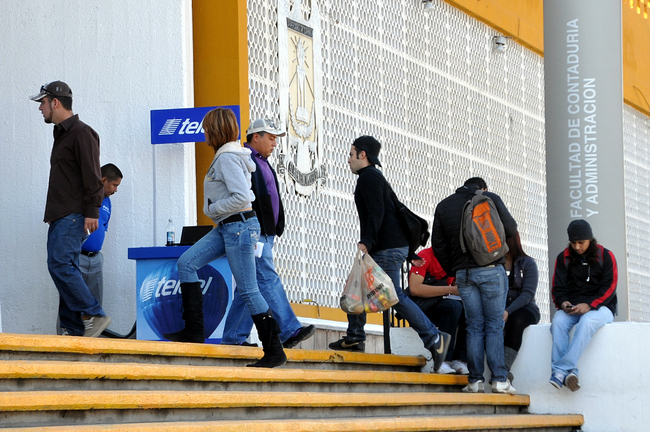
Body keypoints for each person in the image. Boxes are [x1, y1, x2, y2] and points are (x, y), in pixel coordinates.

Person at [163, 108, 286, 368]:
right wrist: (217, 213)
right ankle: (194, 331)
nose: (205, 133)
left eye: (207, 129)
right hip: (228, 227)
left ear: (216, 130)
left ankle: (274, 350)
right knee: (186, 263)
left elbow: (242, 198)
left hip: (238, 227)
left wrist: (212, 209)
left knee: (249, 290)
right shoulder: (227, 155)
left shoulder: (227, 157)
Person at [329, 136, 451, 373]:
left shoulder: (369, 178)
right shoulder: (375, 177)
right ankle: (355, 336)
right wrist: (408, 253)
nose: (348, 159)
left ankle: (435, 338)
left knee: (394, 298)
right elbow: (395, 212)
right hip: (389, 246)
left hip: (384, 247)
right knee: (359, 287)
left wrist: (367, 241)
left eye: (351, 154)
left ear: (362, 154)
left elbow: (377, 213)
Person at [221, 118, 315, 349]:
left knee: (247, 287)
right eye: (271, 138)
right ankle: (289, 329)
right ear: (256, 137)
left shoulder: (262, 162)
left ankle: (233, 338)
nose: (275, 144)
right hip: (254, 234)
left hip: (264, 235)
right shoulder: (244, 159)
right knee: (266, 279)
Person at [31, 81, 111, 338]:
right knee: (66, 267)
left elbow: (93, 176)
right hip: (61, 216)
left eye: (42, 103)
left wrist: (92, 212)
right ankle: (73, 329)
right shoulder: (62, 134)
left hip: (72, 215)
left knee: (59, 264)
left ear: (55, 102)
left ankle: (94, 313)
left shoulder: (81, 133)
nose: (40, 108)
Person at [432, 177, 518, 394]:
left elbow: (438, 245)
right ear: (483, 188)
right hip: (491, 269)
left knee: (473, 326)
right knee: (494, 325)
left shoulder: (444, 206)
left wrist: (455, 269)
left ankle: (475, 381)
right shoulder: (489, 199)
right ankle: (499, 380)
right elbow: (511, 229)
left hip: (464, 274)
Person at [550, 219, 617, 391]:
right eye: (573, 243)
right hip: (573, 307)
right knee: (558, 322)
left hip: (602, 307)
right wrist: (563, 303)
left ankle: (559, 370)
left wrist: (590, 305)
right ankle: (570, 373)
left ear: (590, 239)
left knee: (587, 322)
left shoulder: (606, 255)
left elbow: (610, 286)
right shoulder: (563, 257)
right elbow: (558, 287)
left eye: (581, 242)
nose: (577, 247)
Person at [407, 247, 469, 375]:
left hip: (440, 303)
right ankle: (443, 360)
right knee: (453, 307)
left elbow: (454, 285)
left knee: (468, 309)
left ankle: (459, 360)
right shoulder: (425, 256)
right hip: (423, 307)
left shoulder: (453, 260)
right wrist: (450, 290)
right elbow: (414, 288)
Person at [79, 163, 123, 307]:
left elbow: (103, 227)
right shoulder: (82, 197)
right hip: (78, 257)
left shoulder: (107, 202)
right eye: (114, 185)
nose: (116, 190)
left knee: (94, 305)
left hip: (96, 259)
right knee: (72, 303)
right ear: (104, 180)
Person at [502, 232, 540, 382]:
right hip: (501, 306)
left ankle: (503, 370)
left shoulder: (528, 263)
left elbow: (528, 294)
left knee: (516, 321)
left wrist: (508, 311)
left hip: (525, 307)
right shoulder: (495, 263)